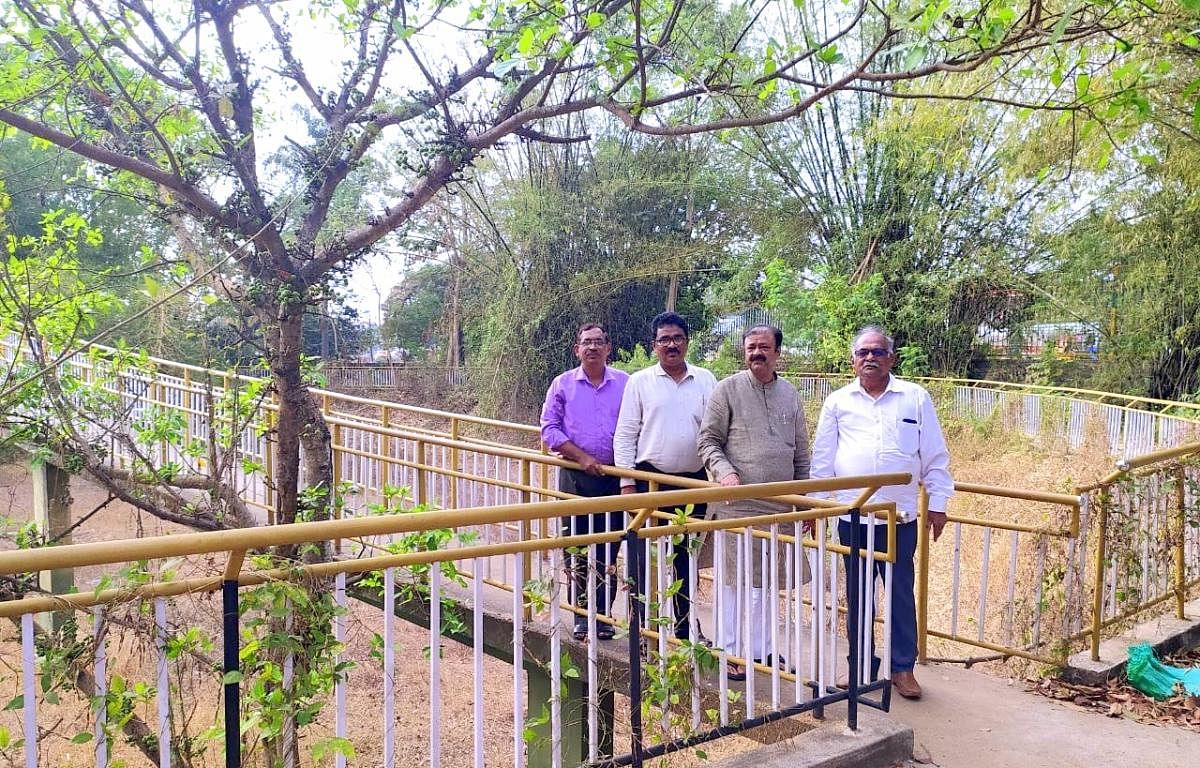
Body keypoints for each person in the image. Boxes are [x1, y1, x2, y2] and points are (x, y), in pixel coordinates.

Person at [810, 325, 954, 700]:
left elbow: (934, 455)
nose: (869, 357)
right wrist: (815, 506)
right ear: (853, 361)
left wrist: (938, 503)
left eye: (877, 351)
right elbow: (823, 459)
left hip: (899, 517)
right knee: (857, 596)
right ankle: (859, 666)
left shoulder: (915, 398)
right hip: (852, 516)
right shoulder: (838, 402)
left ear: (892, 358)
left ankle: (902, 668)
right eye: (862, 353)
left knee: (900, 594)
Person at [697, 325, 810, 679]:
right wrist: (725, 473)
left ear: (778, 352)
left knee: (765, 586)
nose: (756, 353)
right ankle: (729, 651)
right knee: (733, 583)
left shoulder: (790, 394)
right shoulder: (727, 390)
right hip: (736, 506)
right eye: (750, 347)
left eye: (764, 347)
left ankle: (759, 651)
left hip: (778, 508)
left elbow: (801, 452)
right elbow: (708, 441)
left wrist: (803, 500)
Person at [614, 311, 718, 643]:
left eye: (677, 338)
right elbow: (626, 433)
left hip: (692, 482)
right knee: (643, 557)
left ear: (687, 342)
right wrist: (627, 484)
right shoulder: (640, 381)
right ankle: (641, 627)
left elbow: (715, 432)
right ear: (654, 344)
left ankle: (687, 628)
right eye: (664, 339)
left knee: (686, 557)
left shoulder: (706, 379)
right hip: (650, 480)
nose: (671, 345)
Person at [540, 324, 630, 640]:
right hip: (575, 477)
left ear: (608, 347)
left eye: (598, 342)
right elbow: (549, 429)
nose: (592, 348)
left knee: (609, 547)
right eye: (586, 343)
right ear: (577, 349)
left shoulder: (625, 383)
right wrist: (581, 457)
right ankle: (580, 615)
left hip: (614, 478)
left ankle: (602, 616)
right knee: (576, 547)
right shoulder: (562, 384)